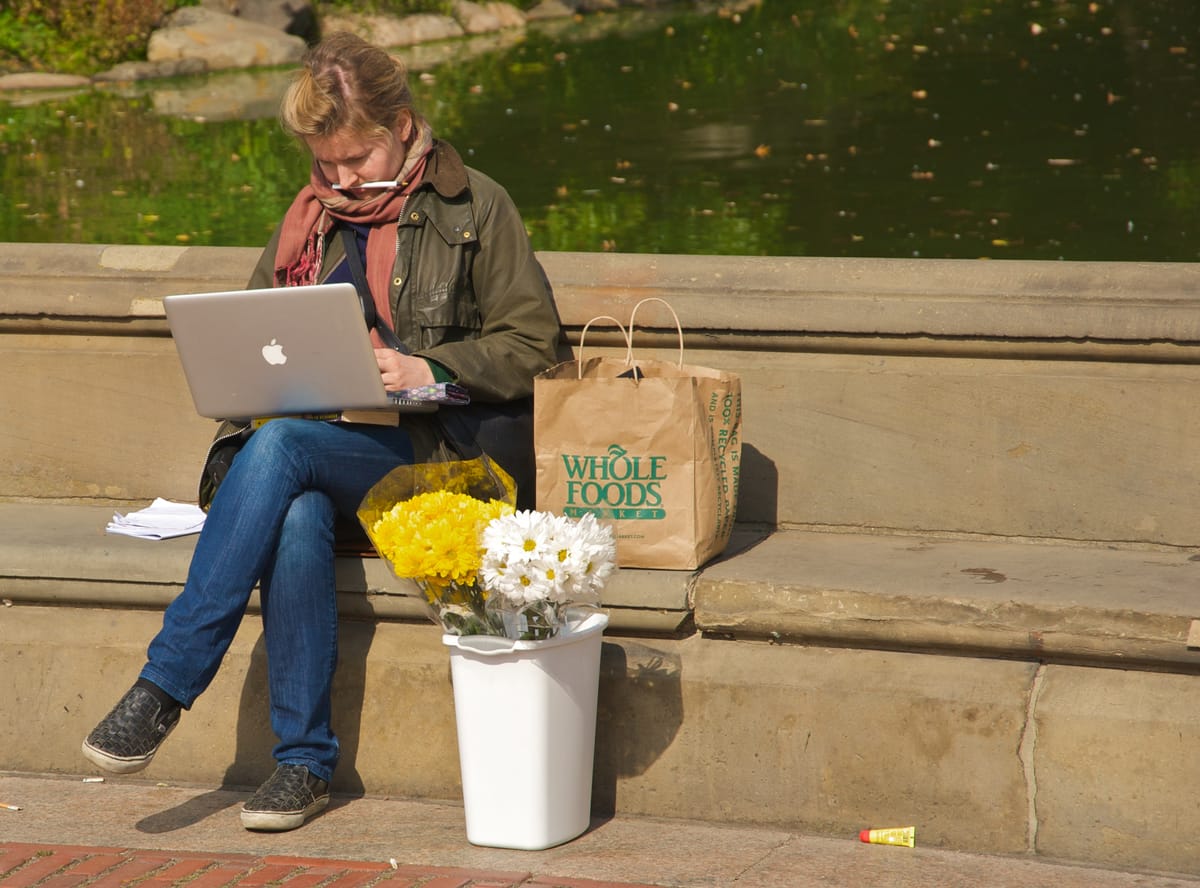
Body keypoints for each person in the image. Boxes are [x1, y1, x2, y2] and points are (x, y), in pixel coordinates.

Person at [81, 31, 562, 833]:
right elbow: (246, 339)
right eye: (325, 164)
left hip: (444, 455)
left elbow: (534, 343)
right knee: (294, 497)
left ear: (403, 127)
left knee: (284, 449)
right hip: (324, 455)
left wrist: (426, 369)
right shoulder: (309, 221)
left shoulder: (476, 205)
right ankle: (302, 765)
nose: (340, 181)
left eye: (357, 159)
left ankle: (164, 687)